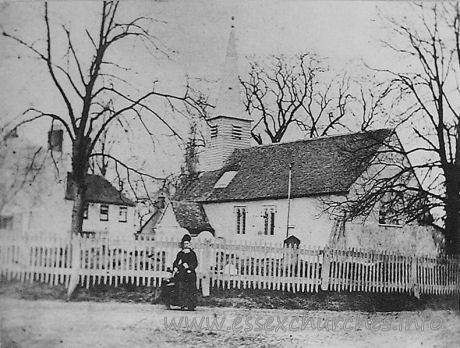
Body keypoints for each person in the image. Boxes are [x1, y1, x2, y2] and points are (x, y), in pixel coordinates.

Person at [172, 234, 198, 310]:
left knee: (190, 289)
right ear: (183, 244)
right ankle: (182, 304)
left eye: (187, 243)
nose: (186, 245)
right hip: (182, 273)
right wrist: (176, 267)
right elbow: (176, 262)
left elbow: (195, 263)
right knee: (181, 288)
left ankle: (190, 305)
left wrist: (189, 267)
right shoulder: (181, 253)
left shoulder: (192, 253)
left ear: (190, 244)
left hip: (190, 273)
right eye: (185, 243)